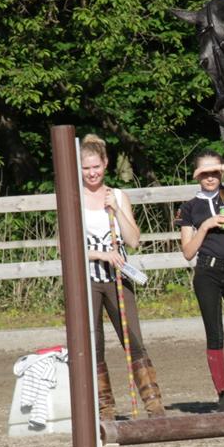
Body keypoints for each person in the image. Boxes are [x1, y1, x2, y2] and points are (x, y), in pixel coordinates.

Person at [80, 134, 164, 420]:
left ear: (105, 164)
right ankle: (105, 407)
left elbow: (134, 240)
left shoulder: (117, 196)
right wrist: (101, 255)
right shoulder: (73, 199)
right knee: (94, 343)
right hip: (89, 280)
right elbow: (67, 247)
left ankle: (153, 403)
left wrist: (116, 211)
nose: (92, 173)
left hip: (119, 278)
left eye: (96, 167)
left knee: (133, 339)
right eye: (86, 168)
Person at [177, 149, 224, 412]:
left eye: (214, 172)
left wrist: (223, 166)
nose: (210, 177)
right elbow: (188, 251)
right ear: (197, 175)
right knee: (215, 333)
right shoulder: (189, 207)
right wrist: (206, 226)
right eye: (204, 173)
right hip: (207, 272)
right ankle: (222, 392)